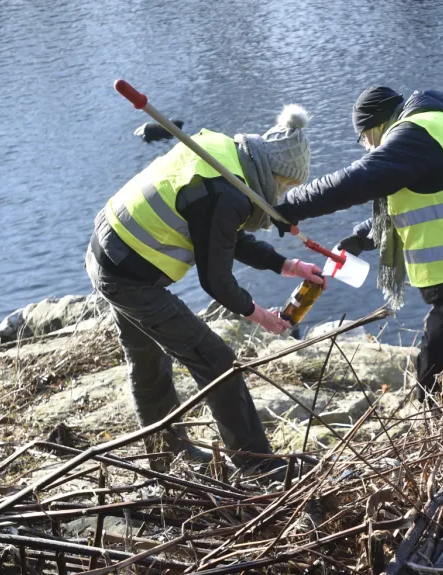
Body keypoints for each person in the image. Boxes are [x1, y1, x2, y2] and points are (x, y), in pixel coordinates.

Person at [85, 105, 324, 473]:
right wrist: (260, 316)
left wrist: (286, 265)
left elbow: (222, 236)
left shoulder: (225, 157)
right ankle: (257, 466)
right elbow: (215, 280)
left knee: (147, 360)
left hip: (108, 248)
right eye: (287, 185)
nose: (281, 196)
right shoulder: (227, 192)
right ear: (273, 172)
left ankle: (165, 458)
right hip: (126, 274)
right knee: (218, 362)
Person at [274, 87, 443, 401]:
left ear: (377, 126)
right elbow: (431, 203)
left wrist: (292, 205)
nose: (367, 148)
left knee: (435, 381)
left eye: (364, 138)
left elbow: (357, 179)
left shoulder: (413, 134)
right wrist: (362, 237)